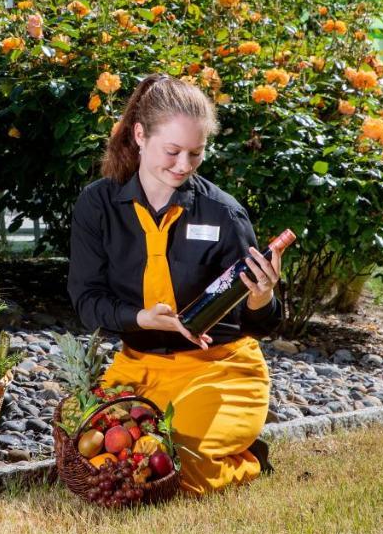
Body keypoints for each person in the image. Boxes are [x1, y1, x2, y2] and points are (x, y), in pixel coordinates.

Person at [68, 73, 283, 495]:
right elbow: (87, 301)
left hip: (220, 369)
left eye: (195, 154)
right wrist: (140, 318)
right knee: (93, 458)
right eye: (172, 151)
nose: (183, 166)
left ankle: (249, 458)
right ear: (140, 134)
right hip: (139, 367)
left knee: (175, 467)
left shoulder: (224, 215)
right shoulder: (98, 205)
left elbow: (260, 326)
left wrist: (263, 297)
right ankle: (220, 442)